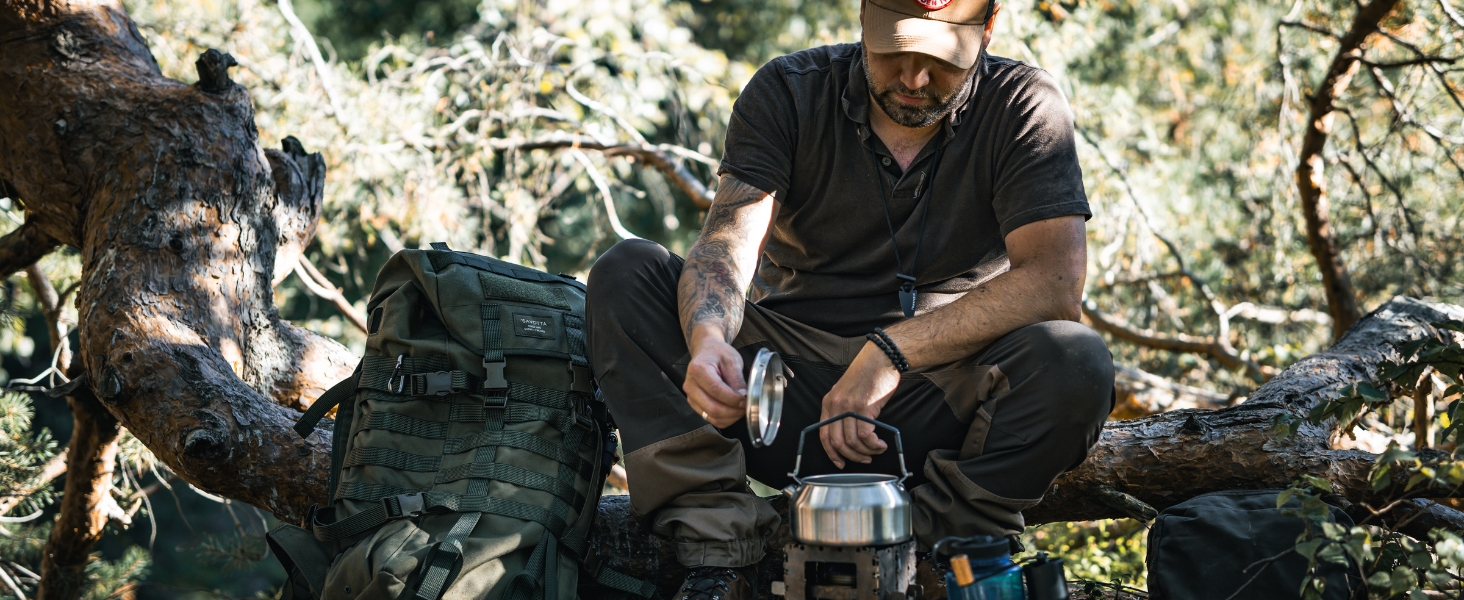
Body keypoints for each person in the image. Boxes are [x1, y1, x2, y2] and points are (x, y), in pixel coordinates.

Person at [585, 0, 1114, 597]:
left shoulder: (1023, 105)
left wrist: (887, 355)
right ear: (863, 17)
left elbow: (1055, 283)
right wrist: (709, 343)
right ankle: (718, 553)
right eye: (894, 51)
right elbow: (727, 243)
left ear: (987, 29)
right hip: (778, 398)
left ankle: (941, 550)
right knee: (627, 272)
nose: (914, 79)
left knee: (1076, 359)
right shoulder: (788, 90)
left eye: (941, 60)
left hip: (939, 401)